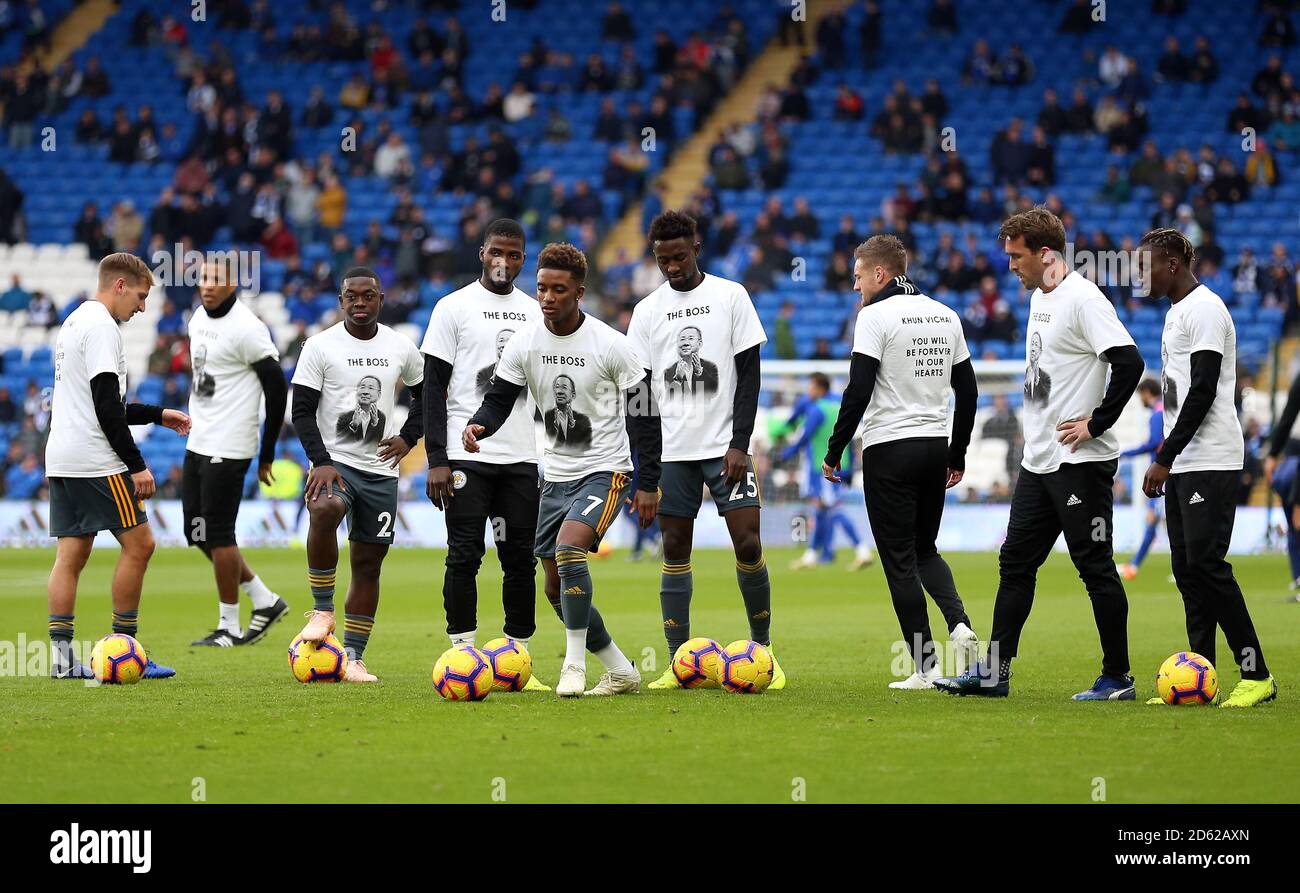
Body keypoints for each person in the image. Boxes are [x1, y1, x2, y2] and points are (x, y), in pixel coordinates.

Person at [936, 207, 1143, 700]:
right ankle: (994, 673)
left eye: (1016, 256)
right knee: (1015, 562)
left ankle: (1117, 677)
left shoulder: (1083, 299)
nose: (1010, 265)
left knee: (1094, 567)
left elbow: (1130, 362)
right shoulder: (1039, 299)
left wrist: (1097, 421)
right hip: (1040, 461)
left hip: (1080, 463)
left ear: (1045, 254)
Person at [464, 242, 660, 697]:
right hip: (552, 475)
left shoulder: (613, 344)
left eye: (558, 289)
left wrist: (649, 482)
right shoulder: (525, 341)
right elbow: (499, 399)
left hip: (605, 470)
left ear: (579, 293)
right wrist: (480, 425)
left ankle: (573, 666)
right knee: (554, 588)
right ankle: (621, 669)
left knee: (571, 551)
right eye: (541, 289)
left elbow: (645, 415)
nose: (547, 298)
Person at [626, 210, 784, 690]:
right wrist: (645, 476)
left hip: (724, 449)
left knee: (749, 542)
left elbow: (750, 375)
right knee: (674, 548)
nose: (671, 267)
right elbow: (639, 396)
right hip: (671, 453)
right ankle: (680, 663)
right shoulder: (647, 311)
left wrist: (739, 443)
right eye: (662, 259)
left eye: (678, 256)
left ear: (696, 249)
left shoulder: (730, 297)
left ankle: (764, 652)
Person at [823, 235, 980, 689]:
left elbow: (858, 390)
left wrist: (834, 451)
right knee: (925, 549)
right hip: (934, 446)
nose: (855, 288)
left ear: (880, 274)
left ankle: (926, 668)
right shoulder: (945, 314)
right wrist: (958, 452)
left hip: (890, 449)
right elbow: (967, 391)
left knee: (898, 561)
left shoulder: (873, 317)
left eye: (857, 277)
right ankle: (959, 624)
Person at [1138, 228, 1276, 708]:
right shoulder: (1177, 312)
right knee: (1188, 568)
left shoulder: (1207, 310)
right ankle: (1200, 674)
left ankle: (1256, 673)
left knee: (1207, 565)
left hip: (1211, 456)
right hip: (1185, 461)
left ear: (1172, 263)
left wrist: (1163, 456)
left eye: (1147, 266)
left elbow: (1203, 390)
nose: (1141, 276)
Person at [44, 253, 190, 679]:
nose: (142, 307)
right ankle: (126, 650)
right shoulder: (104, 329)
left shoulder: (73, 323)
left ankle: (60, 659)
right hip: (95, 458)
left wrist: (158, 414)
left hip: (63, 456)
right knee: (140, 545)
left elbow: (105, 404)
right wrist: (137, 465)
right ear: (120, 285)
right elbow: (107, 409)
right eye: (141, 296)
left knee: (70, 553)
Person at [421, 218, 550, 691]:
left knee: (520, 558)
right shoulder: (452, 308)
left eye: (514, 254)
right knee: (464, 554)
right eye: (497, 252)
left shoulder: (537, 310)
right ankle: (463, 655)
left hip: (520, 454)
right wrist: (437, 457)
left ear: (522, 259)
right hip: (464, 454)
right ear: (482, 253)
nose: (504, 261)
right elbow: (432, 389)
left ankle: (518, 659)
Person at [291, 268, 425, 683]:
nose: (360, 302)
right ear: (341, 300)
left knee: (368, 565)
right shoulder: (319, 346)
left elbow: (427, 396)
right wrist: (322, 460)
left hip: (381, 472)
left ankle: (354, 658)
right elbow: (300, 411)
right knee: (325, 509)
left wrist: (408, 436)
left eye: (368, 296)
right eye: (352, 296)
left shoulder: (401, 346)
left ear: (381, 299)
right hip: (336, 463)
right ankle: (322, 609)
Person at [184, 258, 289, 647]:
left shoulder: (248, 329)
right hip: (199, 438)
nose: (208, 285)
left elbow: (277, 390)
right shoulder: (197, 318)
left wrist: (267, 452)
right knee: (195, 532)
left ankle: (228, 625)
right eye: (203, 278)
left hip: (230, 444)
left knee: (218, 533)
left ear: (233, 284)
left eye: (217, 279)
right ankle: (265, 599)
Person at [782, 373, 875, 571]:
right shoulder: (837, 407)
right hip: (843, 464)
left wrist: (787, 452)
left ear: (819, 389)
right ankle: (811, 555)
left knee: (834, 509)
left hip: (823, 466)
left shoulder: (817, 410)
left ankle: (862, 550)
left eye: (811, 387)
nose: (808, 392)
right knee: (821, 509)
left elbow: (805, 436)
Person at [1117, 379, 1164, 581]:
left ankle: (1191, 568)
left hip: (1163, 476)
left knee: (1156, 520)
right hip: (1164, 475)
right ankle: (1134, 565)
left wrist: (1126, 452)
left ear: (1146, 392)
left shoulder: (1157, 413)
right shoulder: (1163, 409)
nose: (1140, 400)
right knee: (1153, 522)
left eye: (1140, 395)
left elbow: (1154, 443)